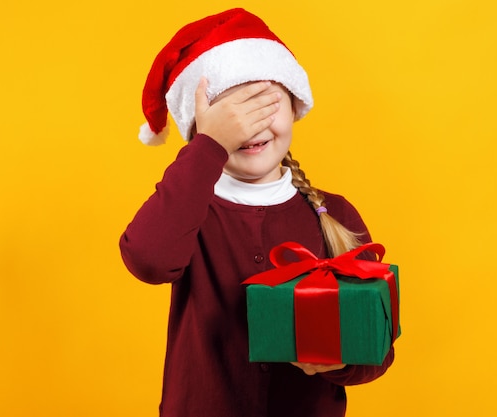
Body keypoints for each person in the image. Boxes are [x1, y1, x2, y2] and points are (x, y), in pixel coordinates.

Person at [119, 8, 394, 417]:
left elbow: (377, 346)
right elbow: (148, 259)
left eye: (266, 104)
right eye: (227, 116)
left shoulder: (331, 212)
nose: (249, 128)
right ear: (199, 130)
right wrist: (209, 147)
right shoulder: (188, 208)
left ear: (295, 106)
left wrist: (341, 362)